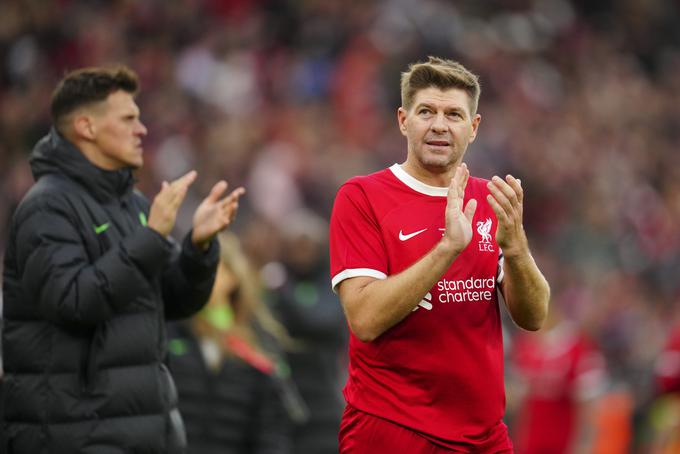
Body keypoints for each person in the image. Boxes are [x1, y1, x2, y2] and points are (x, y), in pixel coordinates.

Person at [1, 66, 245, 453]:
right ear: (87, 127)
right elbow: (74, 301)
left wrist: (198, 247)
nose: (142, 129)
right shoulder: (46, 207)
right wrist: (150, 237)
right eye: (129, 118)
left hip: (144, 429)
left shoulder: (132, 205)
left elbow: (176, 300)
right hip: (76, 432)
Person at [329, 56, 551, 453]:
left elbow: (534, 317)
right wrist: (447, 249)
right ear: (403, 120)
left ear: (474, 127)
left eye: (453, 114)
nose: (439, 125)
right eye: (426, 111)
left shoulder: (491, 198)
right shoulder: (362, 196)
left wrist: (517, 250)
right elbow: (364, 319)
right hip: (391, 429)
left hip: (483, 436)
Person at [166, 231, 307, 454]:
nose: (203, 275)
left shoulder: (257, 342)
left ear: (233, 277)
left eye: (215, 267)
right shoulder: (170, 331)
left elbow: (274, 424)